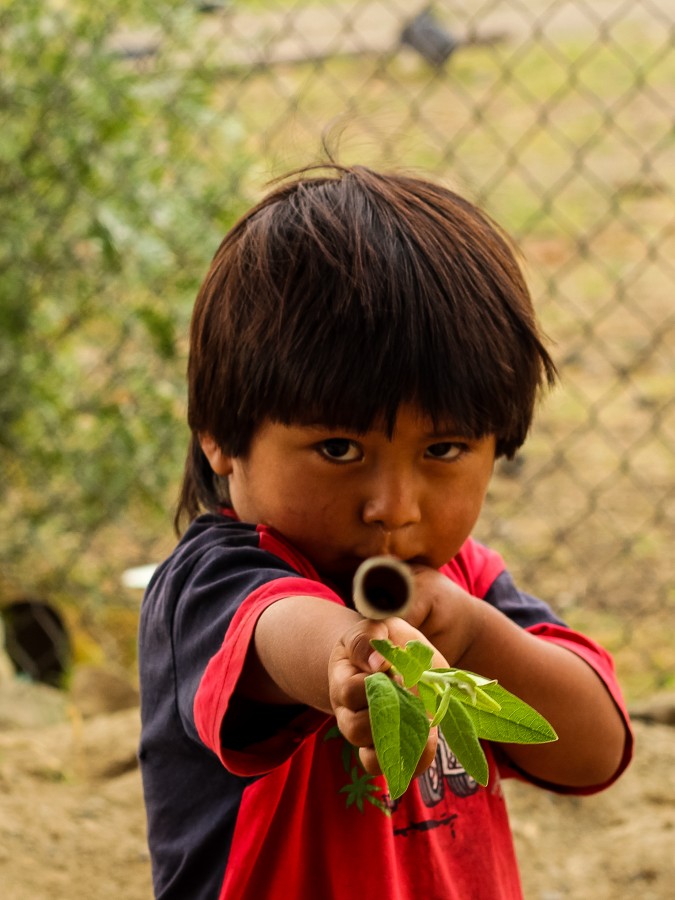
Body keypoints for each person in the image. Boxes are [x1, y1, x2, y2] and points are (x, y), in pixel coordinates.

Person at [138, 164, 632, 900]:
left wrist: (471, 634)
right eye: (339, 450)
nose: (394, 508)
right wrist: (354, 659)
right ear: (220, 438)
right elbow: (280, 631)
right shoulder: (210, 585)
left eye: (442, 451)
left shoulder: (466, 585)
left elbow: (595, 750)